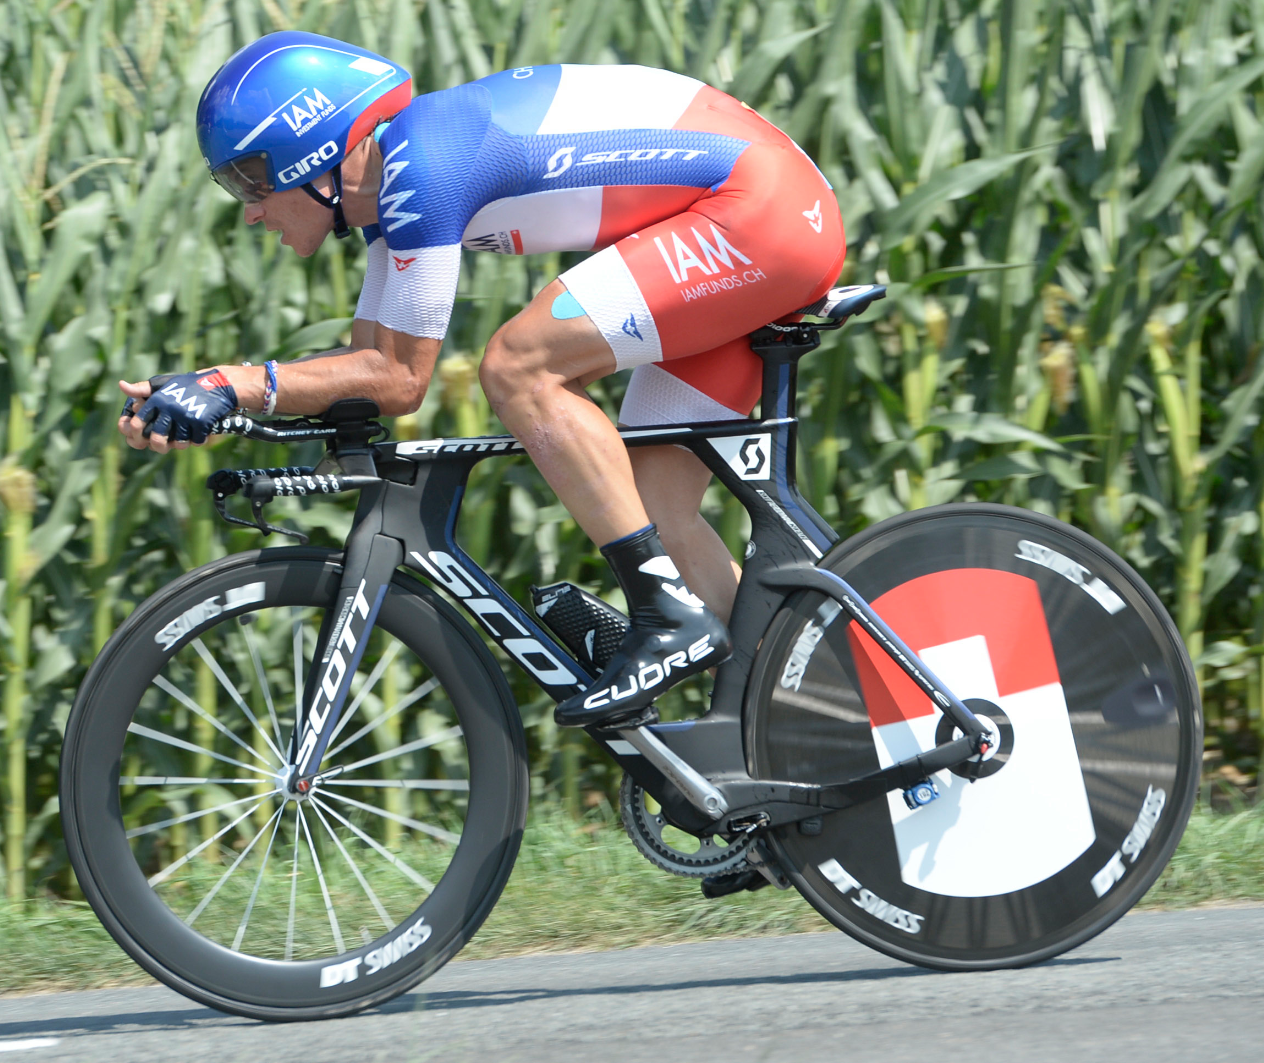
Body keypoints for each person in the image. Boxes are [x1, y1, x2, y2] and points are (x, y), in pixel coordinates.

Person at [119, 31, 845, 729]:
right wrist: (215, 394)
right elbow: (364, 370)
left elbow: (400, 379)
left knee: (519, 365)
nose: (247, 211)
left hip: (757, 214)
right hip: (747, 217)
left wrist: (233, 381)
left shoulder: (419, 169)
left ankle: (667, 614)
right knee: (656, 499)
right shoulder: (394, 199)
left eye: (250, 178)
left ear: (314, 156)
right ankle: (808, 730)